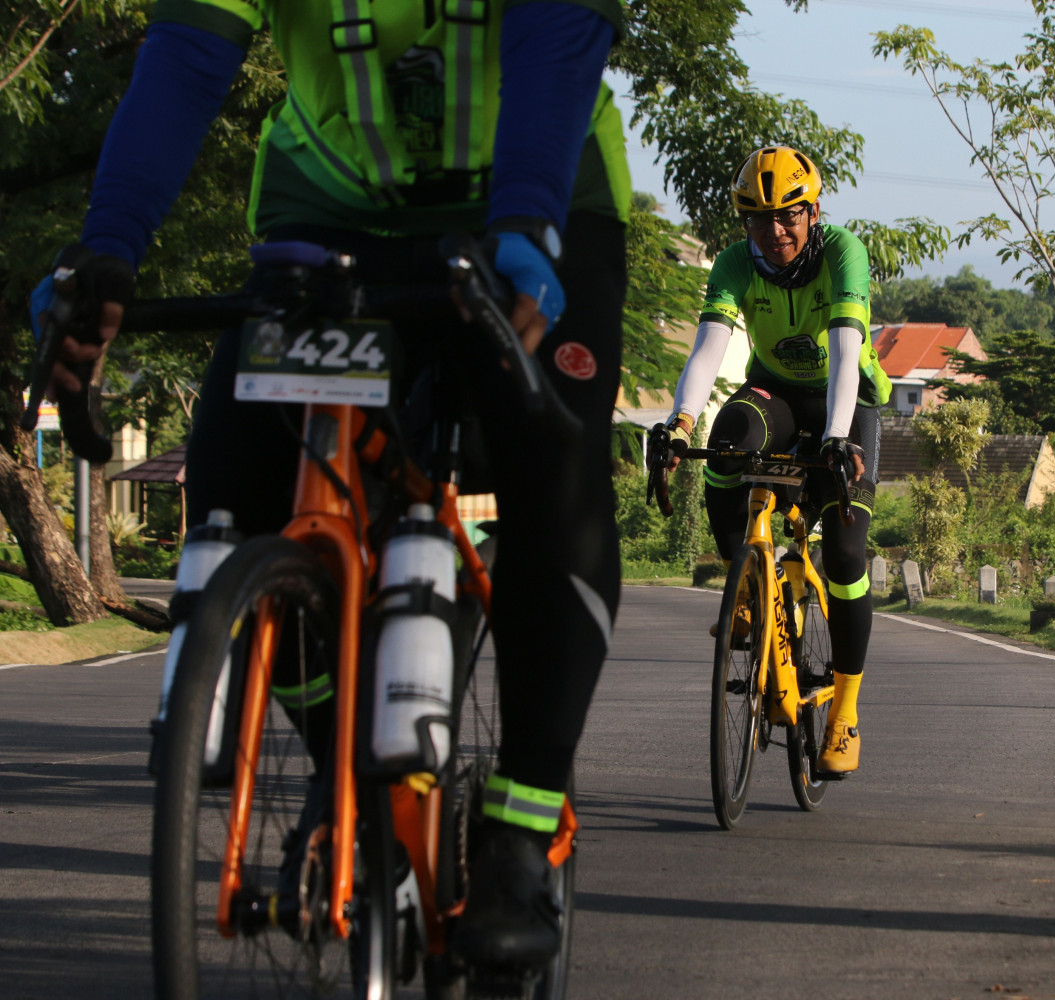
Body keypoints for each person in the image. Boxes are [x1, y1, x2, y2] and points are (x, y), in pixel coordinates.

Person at [30, 0, 631, 973]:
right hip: (332, 209)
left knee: (553, 471)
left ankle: (522, 832)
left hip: (538, 201)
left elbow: (557, 32)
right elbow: (187, 54)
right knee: (235, 485)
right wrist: (108, 246)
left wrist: (526, 217)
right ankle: (349, 768)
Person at [659, 145, 889, 775]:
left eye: (789, 215)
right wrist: (680, 423)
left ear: (813, 213)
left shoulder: (843, 252)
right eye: (760, 218)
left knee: (845, 556)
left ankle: (844, 712)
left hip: (847, 401)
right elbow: (708, 350)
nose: (775, 230)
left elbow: (846, 351)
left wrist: (837, 437)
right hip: (776, 394)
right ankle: (744, 586)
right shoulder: (735, 263)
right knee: (727, 441)